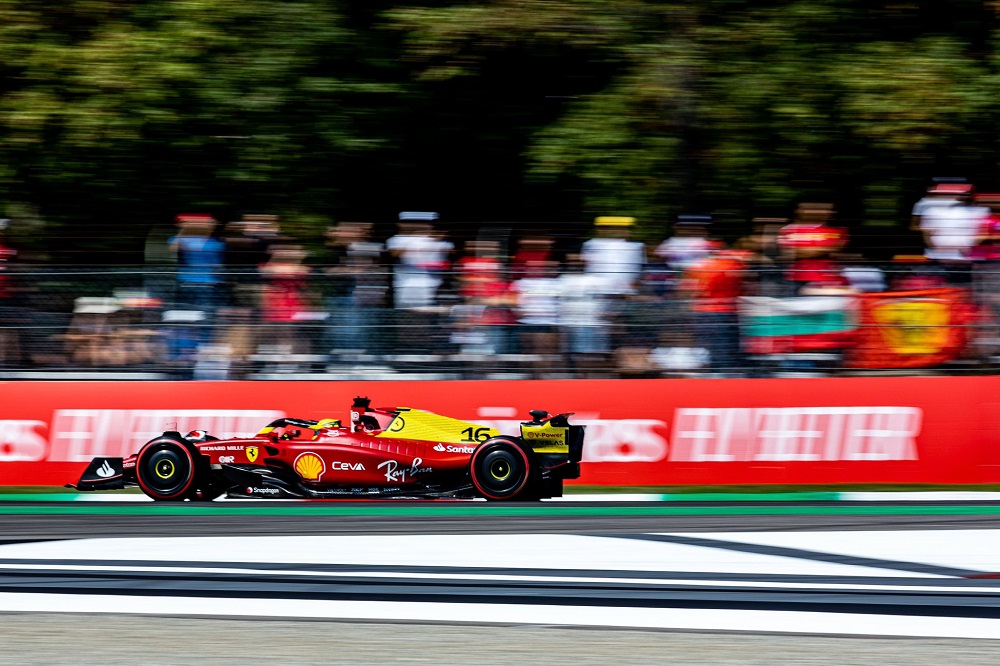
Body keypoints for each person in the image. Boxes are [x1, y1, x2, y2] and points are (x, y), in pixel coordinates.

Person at [580, 216, 646, 295]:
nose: (627, 231)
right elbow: (585, 266)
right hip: (597, 290)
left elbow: (639, 268)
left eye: (628, 228)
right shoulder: (591, 245)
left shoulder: (637, 246)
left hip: (624, 291)